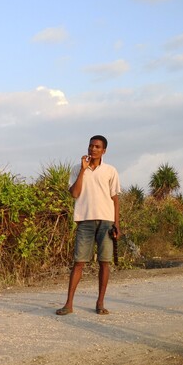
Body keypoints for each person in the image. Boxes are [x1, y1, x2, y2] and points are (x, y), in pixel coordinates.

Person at [56, 135, 120, 316]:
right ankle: (68, 304)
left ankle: (100, 303)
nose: (93, 149)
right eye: (91, 146)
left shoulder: (110, 171)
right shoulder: (77, 169)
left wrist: (117, 225)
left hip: (106, 222)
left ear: (104, 151)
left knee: (104, 263)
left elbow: (115, 199)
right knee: (79, 263)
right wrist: (83, 171)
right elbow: (75, 193)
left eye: (97, 147)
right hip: (84, 220)